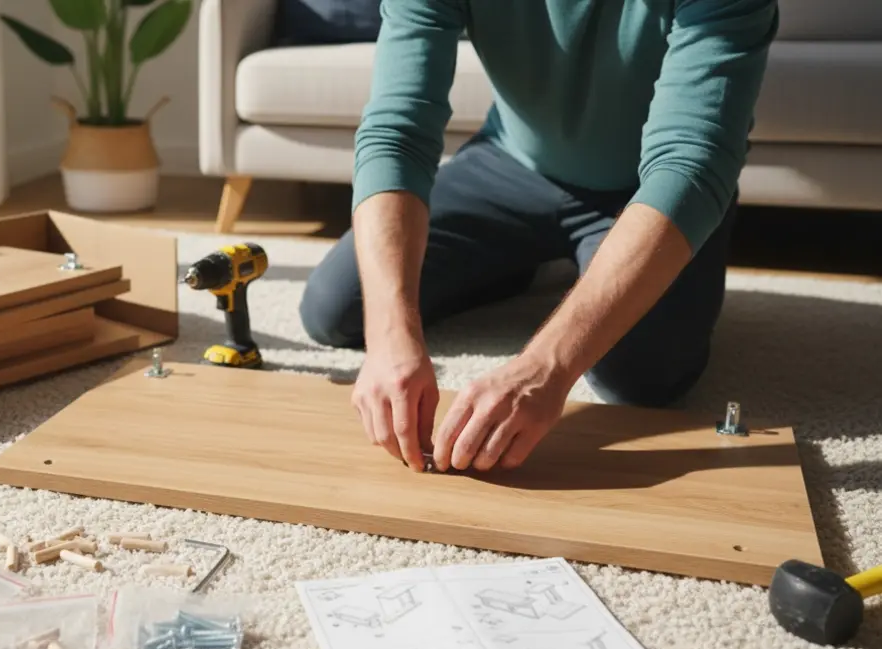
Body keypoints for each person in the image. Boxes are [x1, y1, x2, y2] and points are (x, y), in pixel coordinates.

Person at [298, 0, 778, 475]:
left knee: (640, 379)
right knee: (339, 308)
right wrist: (389, 336)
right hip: (511, 166)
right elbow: (396, 132)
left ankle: (577, 268)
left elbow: (691, 166)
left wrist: (545, 368)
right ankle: (540, 269)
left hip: (651, 191)